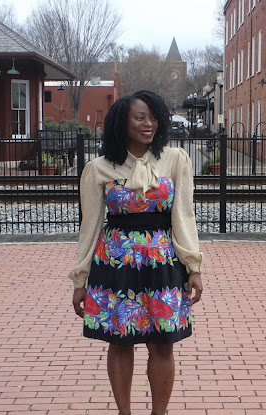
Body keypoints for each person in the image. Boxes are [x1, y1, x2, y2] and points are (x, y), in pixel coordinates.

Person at [69, 90, 204, 415]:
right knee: (120, 342)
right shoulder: (99, 168)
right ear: (122, 122)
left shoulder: (175, 159)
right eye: (140, 118)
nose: (148, 124)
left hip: (163, 265)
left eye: (153, 117)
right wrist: (80, 279)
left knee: (163, 345)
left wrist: (193, 266)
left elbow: (184, 216)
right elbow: (89, 227)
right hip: (115, 265)